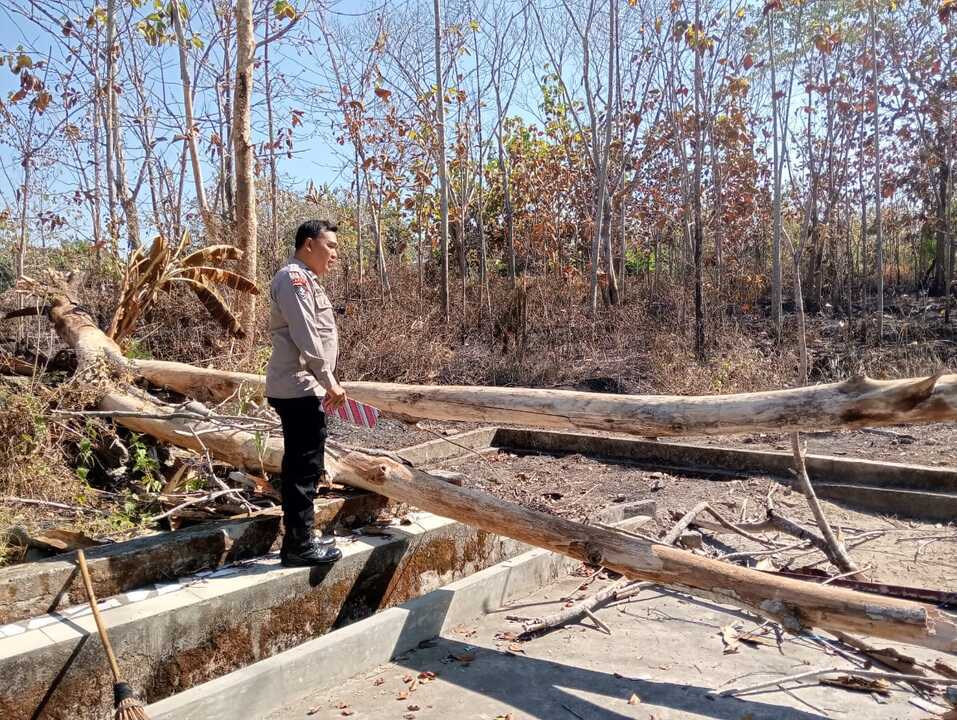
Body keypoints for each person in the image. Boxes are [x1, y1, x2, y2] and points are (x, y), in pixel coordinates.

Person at [266, 219, 348, 566]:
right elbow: (305, 332)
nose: (334, 255)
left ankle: (299, 541)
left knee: (304, 465)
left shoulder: (307, 280)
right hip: (300, 387)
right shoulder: (293, 277)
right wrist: (329, 380)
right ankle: (299, 547)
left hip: (306, 386)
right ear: (309, 244)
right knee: (304, 467)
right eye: (330, 246)